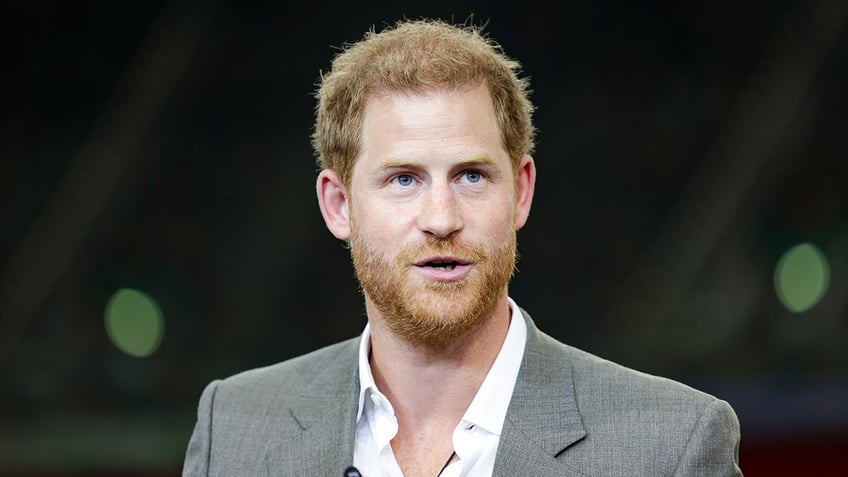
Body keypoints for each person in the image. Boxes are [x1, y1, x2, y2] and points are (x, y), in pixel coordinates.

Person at [182, 18, 742, 477]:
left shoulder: (672, 446)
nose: (441, 218)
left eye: (471, 176)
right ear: (338, 205)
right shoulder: (233, 426)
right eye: (403, 179)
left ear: (521, 191)